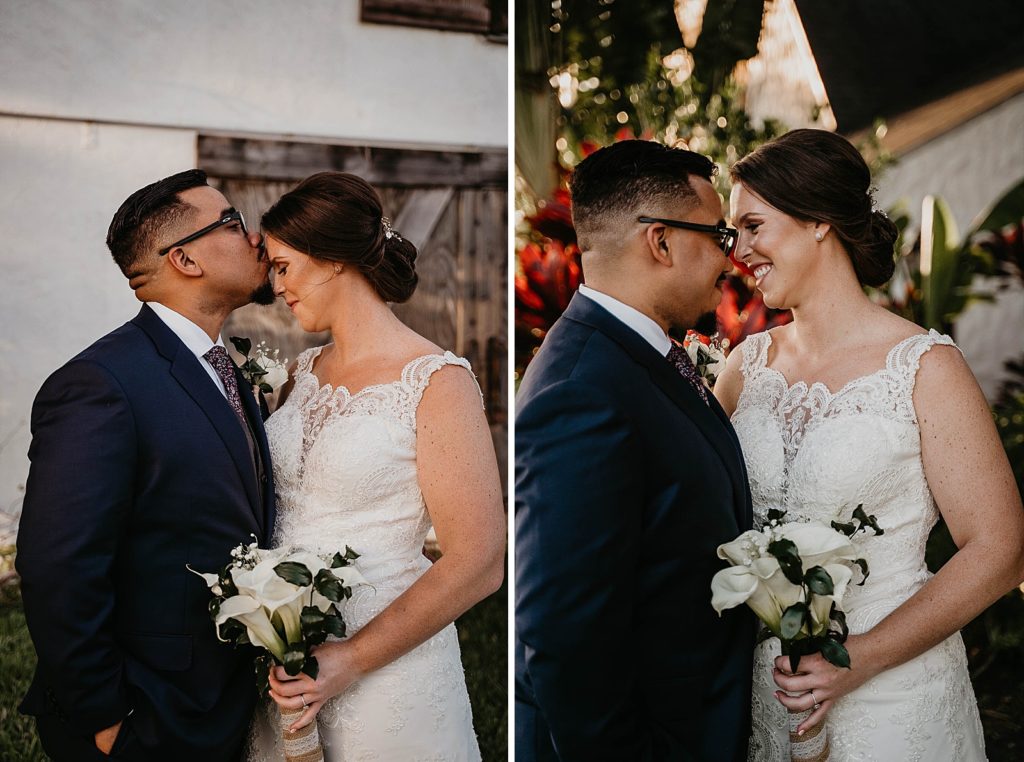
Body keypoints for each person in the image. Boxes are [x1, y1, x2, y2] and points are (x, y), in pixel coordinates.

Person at [715, 128, 1024, 761]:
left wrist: (855, 660)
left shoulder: (924, 366)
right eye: (733, 233)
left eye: (751, 226)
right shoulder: (743, 367)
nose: (737, 251)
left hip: (896, 698)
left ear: (818, 222)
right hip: (773, 693)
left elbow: (1000, 549)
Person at [17, 169, 278, 760]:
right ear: (184, 259)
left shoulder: (228, 370)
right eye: (233, 222)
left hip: (220, 704)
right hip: (144, 714)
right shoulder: (100, 384)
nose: (256, 236)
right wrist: (107, 719)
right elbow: (59, 565)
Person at [245, 171, 505, 761]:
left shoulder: (436, 382)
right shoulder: (300, 374)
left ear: (333, 258)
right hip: (286, 661)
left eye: (284, 265)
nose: (277, 285)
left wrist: (351, 658)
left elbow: (480, 561)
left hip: (388, 673)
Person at [515, 140, 756, 761]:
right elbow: (565, 637)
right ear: (662, 242)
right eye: (720, 237)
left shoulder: (634, 357)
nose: (731, 261)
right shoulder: (581, 391)